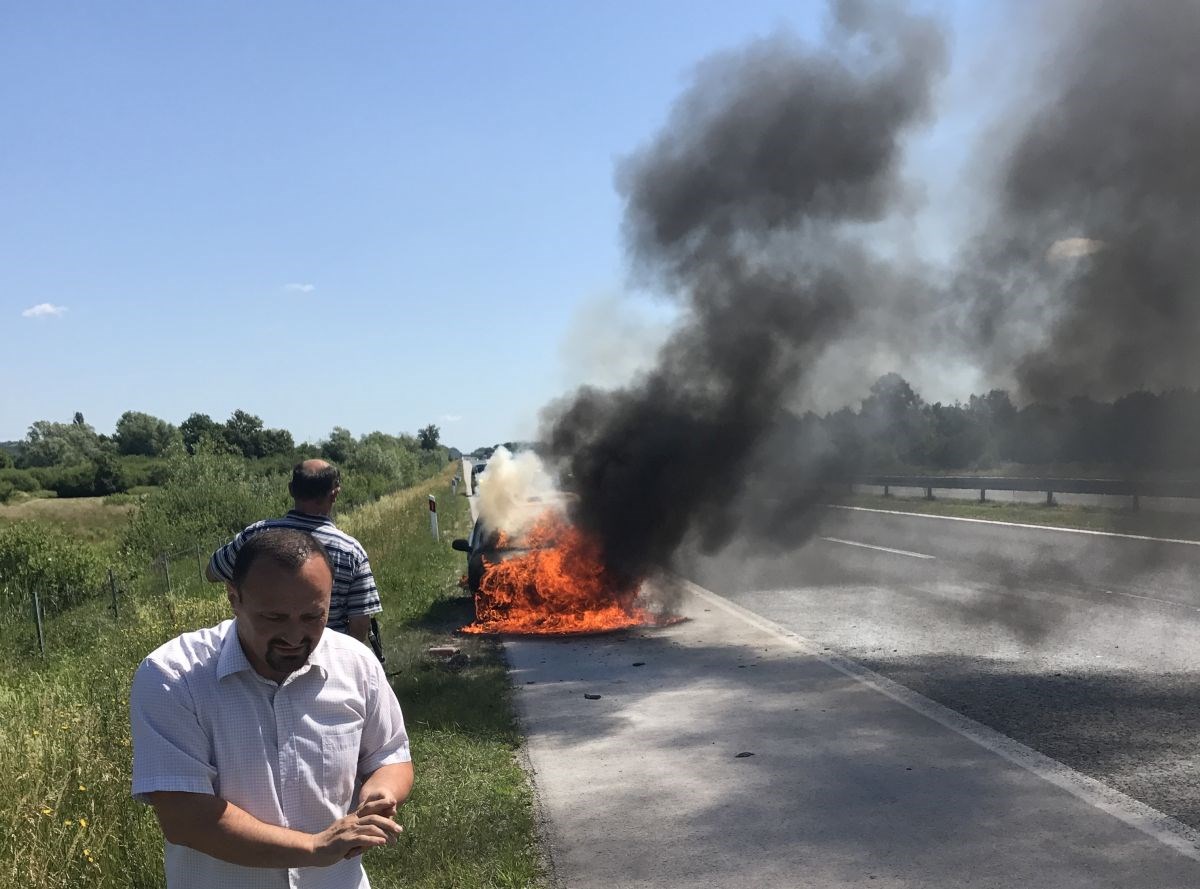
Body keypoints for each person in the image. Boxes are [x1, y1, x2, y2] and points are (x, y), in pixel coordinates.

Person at [131, 528, 414, 889]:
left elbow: (390, 755)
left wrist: (381, 792)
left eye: (313, 617)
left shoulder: (356, 664)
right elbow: (187, 818)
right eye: (275, 618)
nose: (295, 636)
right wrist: (314, 847)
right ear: (234, 598)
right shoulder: (173, 678)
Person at [207, 459, 384, 658]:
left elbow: (212, 572)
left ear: (291, 489)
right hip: (326, 661)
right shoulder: (351, 552)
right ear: (334, 494)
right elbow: (360, 622)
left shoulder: (254, 536)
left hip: (260, 656)